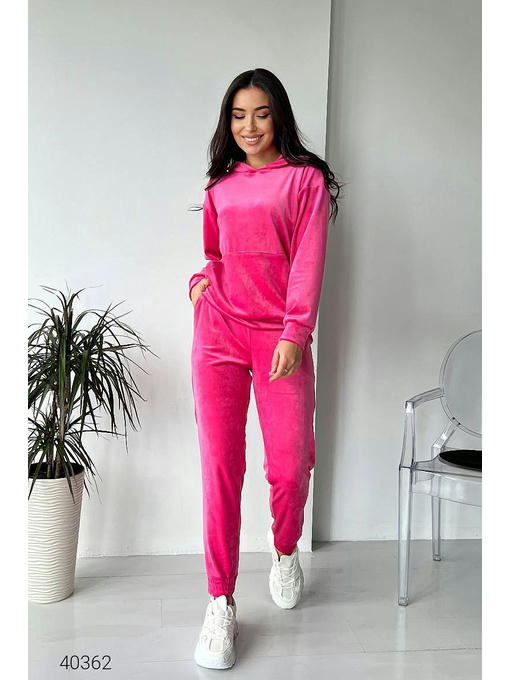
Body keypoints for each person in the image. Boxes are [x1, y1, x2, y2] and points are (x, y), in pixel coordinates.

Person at [189, 68, 342, 670]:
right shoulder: (220, 185)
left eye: (260, 113)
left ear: (278, 115)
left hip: (281, 338)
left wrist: (295, 331)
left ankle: (284, 550)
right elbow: (215, 254)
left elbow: (307, 259)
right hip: (219, 334)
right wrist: (199, 282)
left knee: (289, 464)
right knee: (220, 467)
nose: (249, 126)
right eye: (238, 115)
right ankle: (220, 602)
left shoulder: (305, 180)